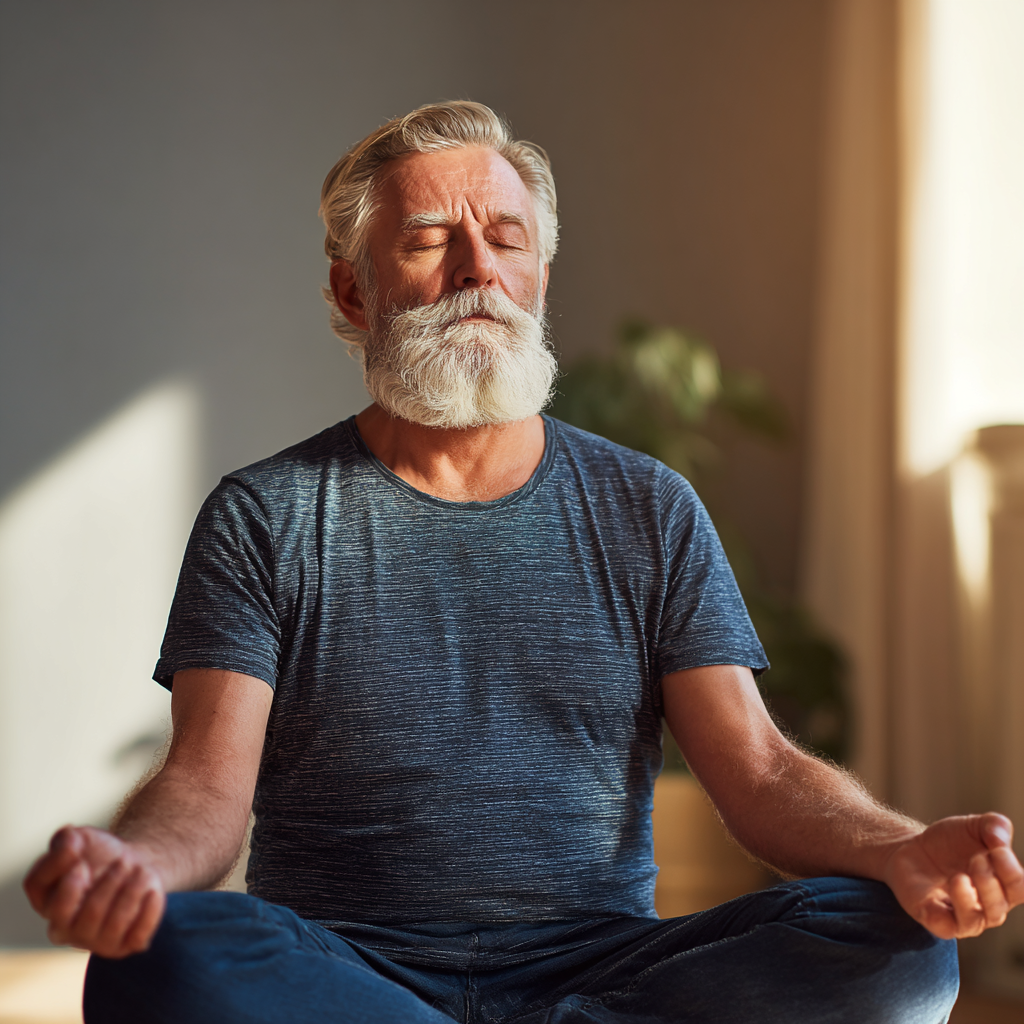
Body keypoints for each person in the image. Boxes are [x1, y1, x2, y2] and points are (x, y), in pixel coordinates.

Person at [24, 102, 1023, 1024]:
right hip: (345, 970)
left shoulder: (649, 507)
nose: (476, 271)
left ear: (539, 272)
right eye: (427, 241)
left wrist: (897, 847)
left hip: (602, 972)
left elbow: (759, 772)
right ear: (351, 287)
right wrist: (133, 864)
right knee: (158, 955)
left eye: (505, 239)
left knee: (901, 950)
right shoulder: (267, 514)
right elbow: (203, 782)